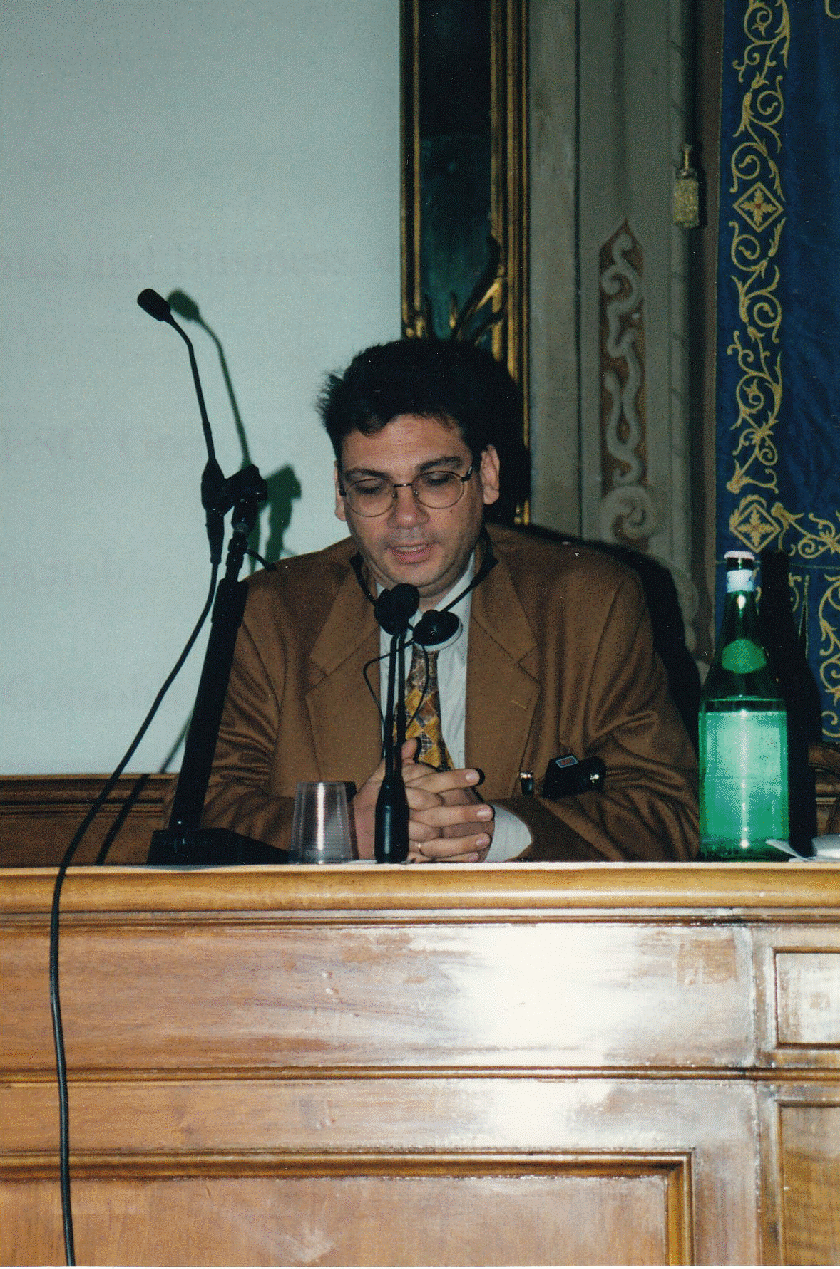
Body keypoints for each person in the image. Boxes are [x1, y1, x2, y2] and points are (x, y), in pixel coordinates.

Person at [201, 338, 698, 862]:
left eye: (436, 481)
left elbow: (671, 813)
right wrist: (339, 830)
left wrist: (489, 830)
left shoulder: (590, 604)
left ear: (487, 476)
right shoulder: (271, 615)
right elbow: (201, 813)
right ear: (340, 495)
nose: (405, 517)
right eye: (371, 488)